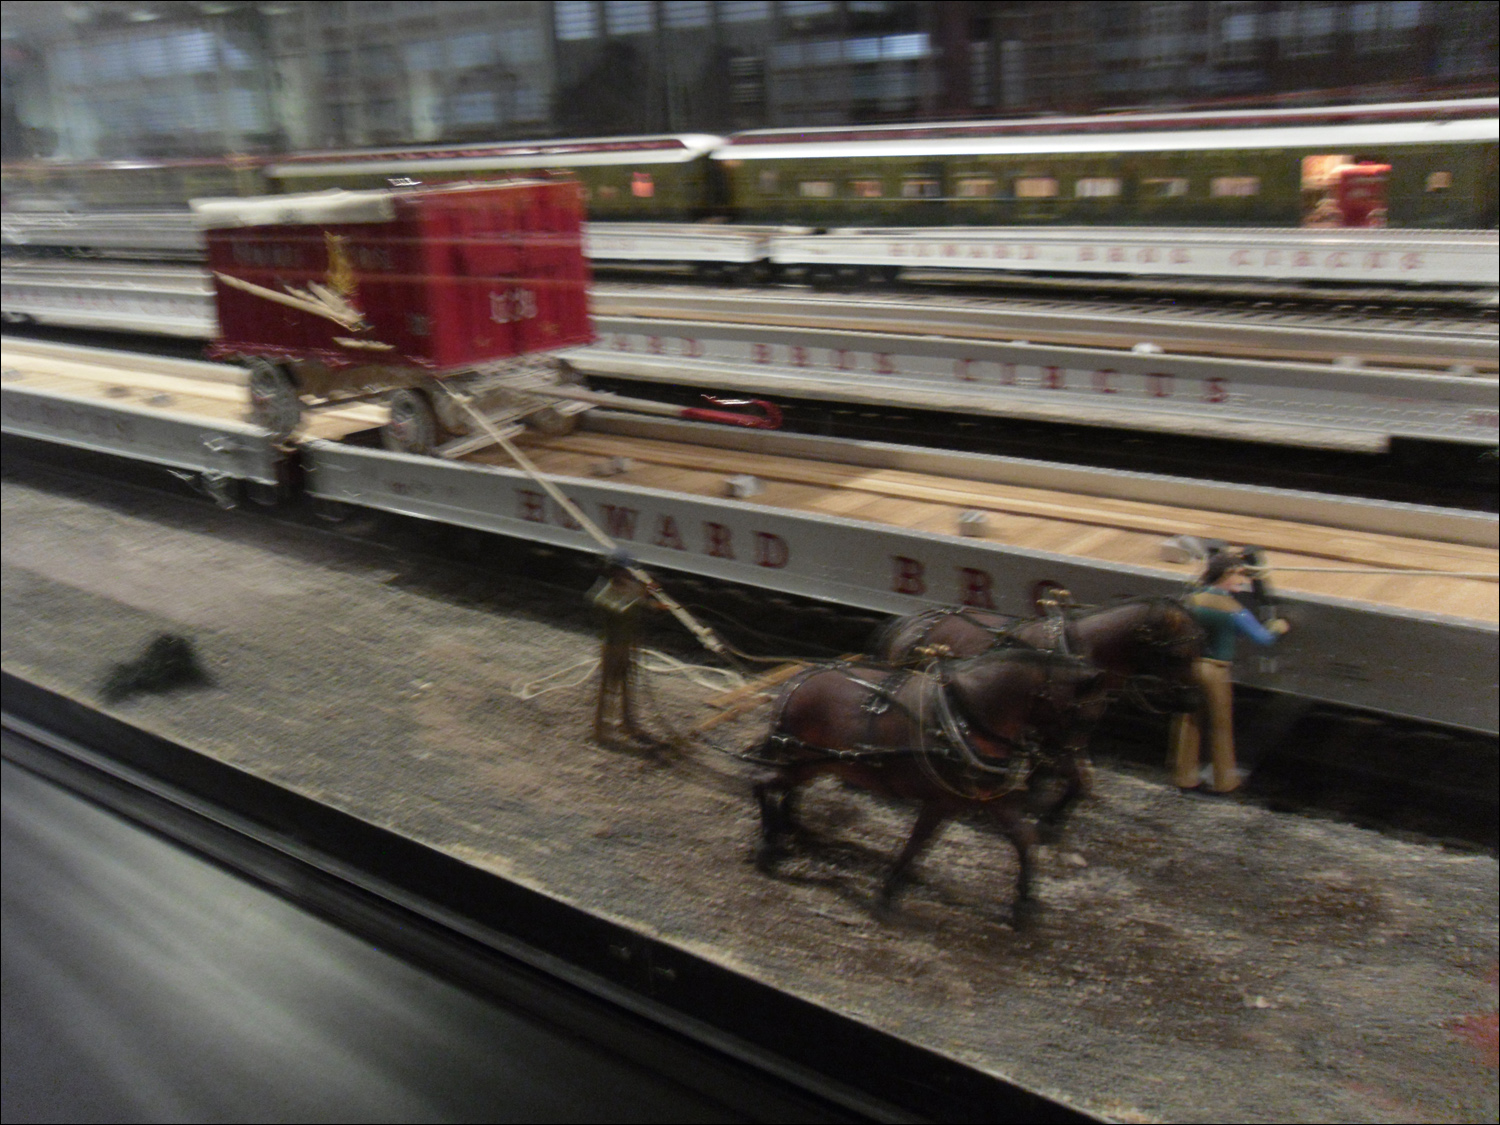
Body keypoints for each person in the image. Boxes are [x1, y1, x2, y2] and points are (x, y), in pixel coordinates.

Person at [1172, 551, 1289, 795]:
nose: (1243, 581)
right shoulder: (1233, 609)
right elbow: (1263, 638)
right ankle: (1224, 780)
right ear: (1225, 574)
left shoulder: (1193, 600)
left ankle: (1184, 776)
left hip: (1193, 666)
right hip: (1216, 670)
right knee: (1220, 725)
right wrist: (1278, 626)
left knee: (1190, 720)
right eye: (1239, 575)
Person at [590, 553, 654, 745]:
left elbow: (642, 604)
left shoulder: (631, 588)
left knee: (628, 685)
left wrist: (650, 599)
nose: (625, 574)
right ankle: (600, 728)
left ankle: (627, 723)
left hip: (627, 645)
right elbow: (616, 609)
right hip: (612, 646)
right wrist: (641, 596)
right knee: (608, 686)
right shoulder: (607, 591)